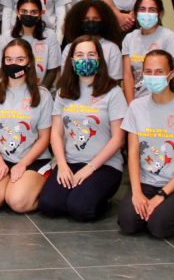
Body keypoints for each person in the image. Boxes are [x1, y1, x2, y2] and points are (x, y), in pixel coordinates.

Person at [117, 50, 174, 239]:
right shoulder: (136, 107)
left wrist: (162, 196)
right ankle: (155, 208)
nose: (152, 77)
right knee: (128, 223)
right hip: (147, 182)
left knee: (158, 227)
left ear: (171, 74)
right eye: (148, 72)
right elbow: (132, 152)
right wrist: (137, 193)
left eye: (159, 72)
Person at [37, 36, 126, 221]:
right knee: (49, 206)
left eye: (91, 54)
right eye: (79, 55)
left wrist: (90, 168)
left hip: (104, 165)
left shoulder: (113, 91)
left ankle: (101, 199)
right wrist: (61, 165)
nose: (85, 59)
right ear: (72, 61)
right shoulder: (64, 91)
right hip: (70, 161)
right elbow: (56, 132)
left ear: (99, 59)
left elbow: (118, 138)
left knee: (80, 209)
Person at [0, 39, 53, 213]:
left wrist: (23, 164)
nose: (14, 64)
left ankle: (34, 182)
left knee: (18, 202)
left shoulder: (43, 95)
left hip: (32, 159)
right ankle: (7, 184)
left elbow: (44, 138)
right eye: (9, 60)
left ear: (29, 62)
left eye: (20, 60)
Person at [121, 0, 174, 102]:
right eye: (142, 9)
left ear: (159, 13)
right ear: (135, 13)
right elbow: (128, 76)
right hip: (137, 101)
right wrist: (132, 105)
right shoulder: (129, 38)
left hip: (162, 100)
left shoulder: (169, 37)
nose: (147, 13)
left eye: (152, 10)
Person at [0, 0, 62, 89]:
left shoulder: (50, 36)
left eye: (34, 12)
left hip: (41, 90)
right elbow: (1, 70)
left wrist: (41, 94)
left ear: (40, 14)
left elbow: (52, 70)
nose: (28, 15)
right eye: (24, 11)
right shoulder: (6, 37)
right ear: (17, 13)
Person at [62, 0, 125, 81]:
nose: (91, 22)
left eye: (95, 19)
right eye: (86, 19)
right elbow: (65, 79)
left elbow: (115, 81)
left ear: (104, 21)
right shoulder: (69, 48)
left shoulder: (112, 48)